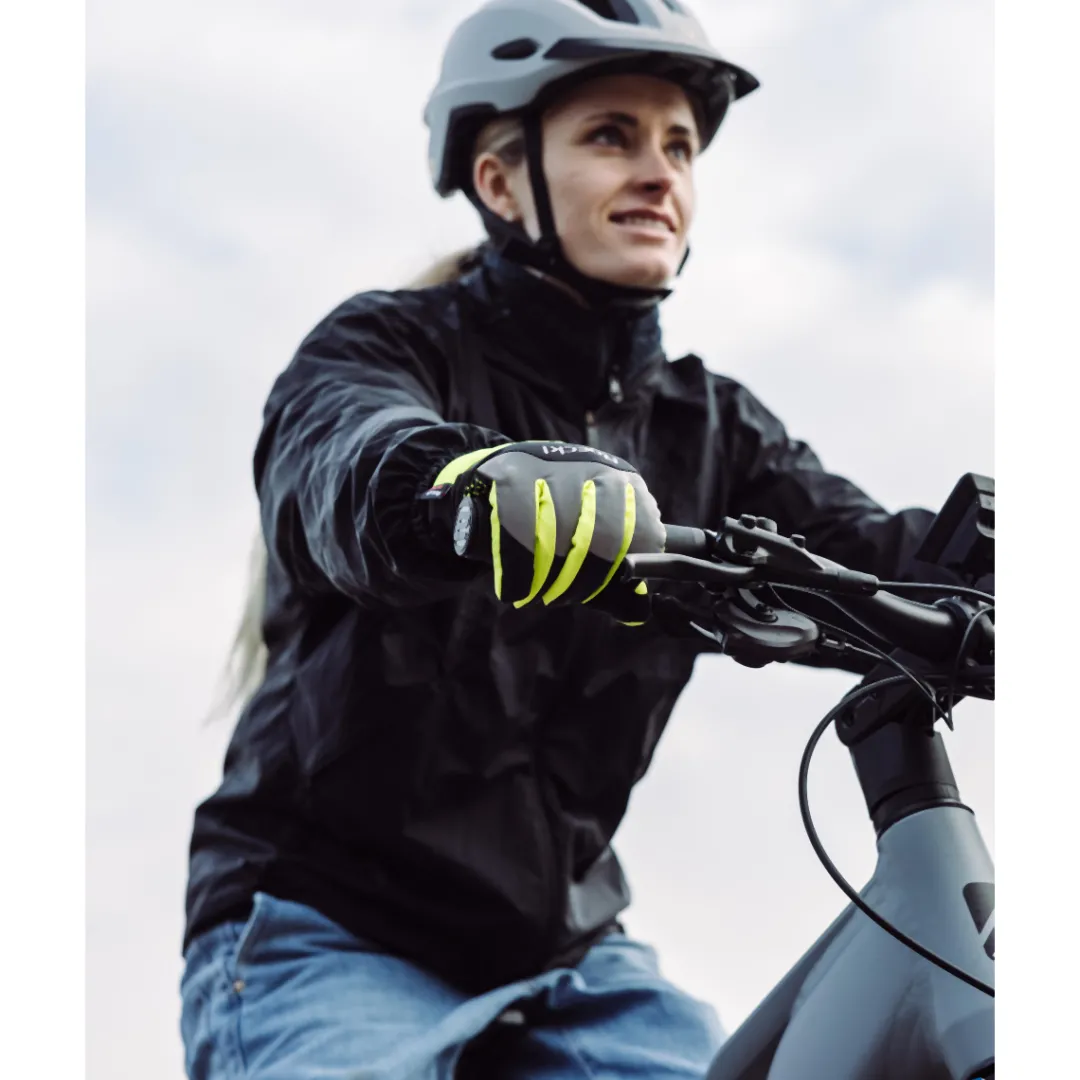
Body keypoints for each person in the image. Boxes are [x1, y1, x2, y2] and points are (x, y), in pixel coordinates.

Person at [180, 1, 967, 1077]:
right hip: (330, 930)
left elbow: (882, 553)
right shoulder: (389, 345)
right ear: (502, 183)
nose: (659, 173)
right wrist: (460, 484)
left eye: (679, 146)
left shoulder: (713, 429)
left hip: (570, 954)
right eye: (612, 136)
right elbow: (342, 453)